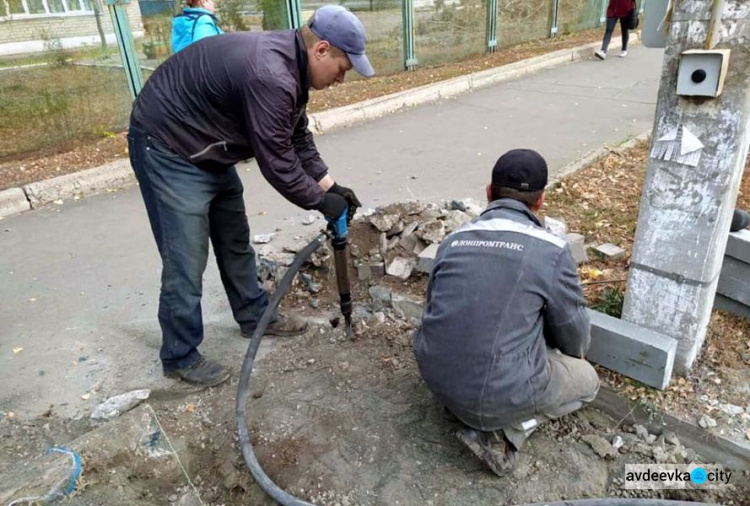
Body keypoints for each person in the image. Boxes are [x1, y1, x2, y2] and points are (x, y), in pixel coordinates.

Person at [128, 5, 373, 387]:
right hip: (168, 145)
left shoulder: (292, 68)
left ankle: (255, 316)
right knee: (186, 257)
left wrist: (331, 187)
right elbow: (276, 161)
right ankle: (180, 355)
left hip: (210, 146)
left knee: (235, 240)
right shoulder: (271, 74)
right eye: (343, 68)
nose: (342, 79)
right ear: (321, 50)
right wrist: (320, 202)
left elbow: (296, 138)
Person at [414, 149, 600, 476]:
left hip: (435, 375)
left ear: (489, 192)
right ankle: (505, 432)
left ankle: (462, 406)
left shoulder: (453, 240)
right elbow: (575, 336)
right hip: (495, 390)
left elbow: (434, 311)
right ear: (541, 200)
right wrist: (564, 353)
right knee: (588, 382)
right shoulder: (552, 250)